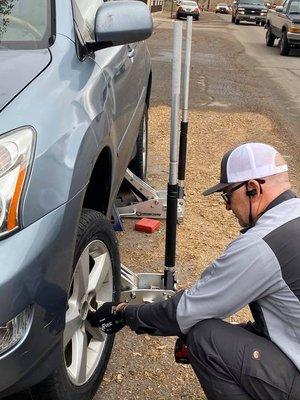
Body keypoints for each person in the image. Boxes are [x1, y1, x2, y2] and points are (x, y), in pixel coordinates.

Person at [89, 142, 300, 400]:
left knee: (205, 339)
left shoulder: (261, 246)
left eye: (227, 196)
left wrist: (125, 313)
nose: (227, 207)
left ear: (252, 189)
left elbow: (185, 313)